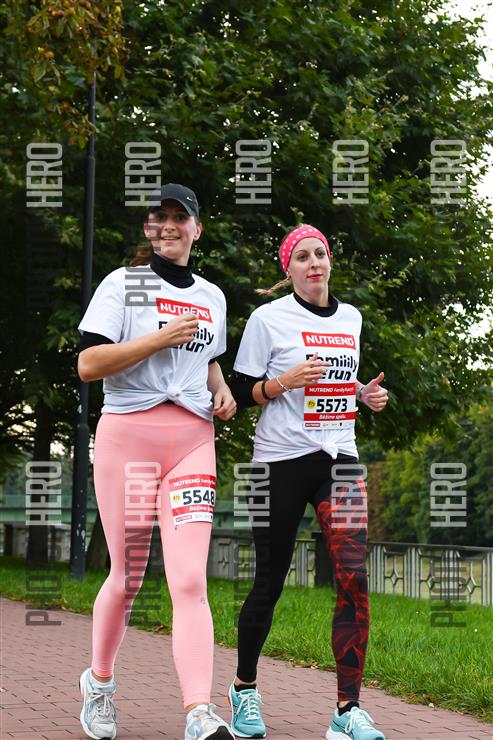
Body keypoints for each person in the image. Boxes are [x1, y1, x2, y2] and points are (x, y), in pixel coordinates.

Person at [76, 183, 236, 740]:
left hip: (192, 441)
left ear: (197, 229)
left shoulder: (213, 296)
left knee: (189, 579)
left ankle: (199, 712)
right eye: (159, 217)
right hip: (130, 438)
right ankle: (99, 683)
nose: (169, 225)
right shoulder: (125, 284)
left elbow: (207, 359)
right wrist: (157, 339)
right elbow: (89, 364)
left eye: (179, 217)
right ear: (149, 228)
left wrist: (221, 388)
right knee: (128, 576)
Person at [227, 225, 388, 740]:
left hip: (339, 459)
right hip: (279, 463)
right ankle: (244, 689)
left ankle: (347, 709)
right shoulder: (267, 319)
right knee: (269, 582)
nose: (314, 262)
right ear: (289, 269)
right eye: (302, 257)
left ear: (330, 260)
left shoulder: (351, 318)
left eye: (320, 253)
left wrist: (362, 394)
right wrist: (282, 383)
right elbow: (238, 391)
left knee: (353, 577)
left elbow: (336, 378)